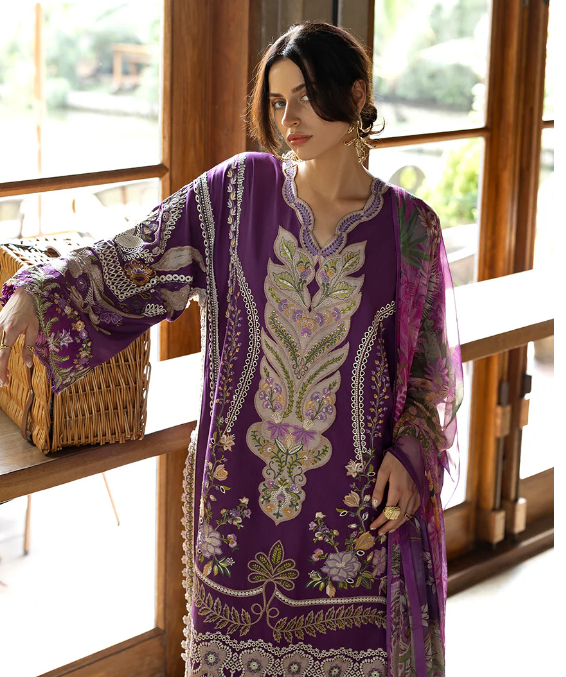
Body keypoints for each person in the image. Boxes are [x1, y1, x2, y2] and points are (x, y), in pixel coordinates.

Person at [0, 21, 463, 677]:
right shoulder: (238, 193)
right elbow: (138, 254)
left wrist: (411, 454)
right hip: (240, 505)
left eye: (306, 96)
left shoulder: (410, 227)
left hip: (353, 521)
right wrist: (44, 290)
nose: (289, 119)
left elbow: (431, 374)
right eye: (277, 102)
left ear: (357, 95)